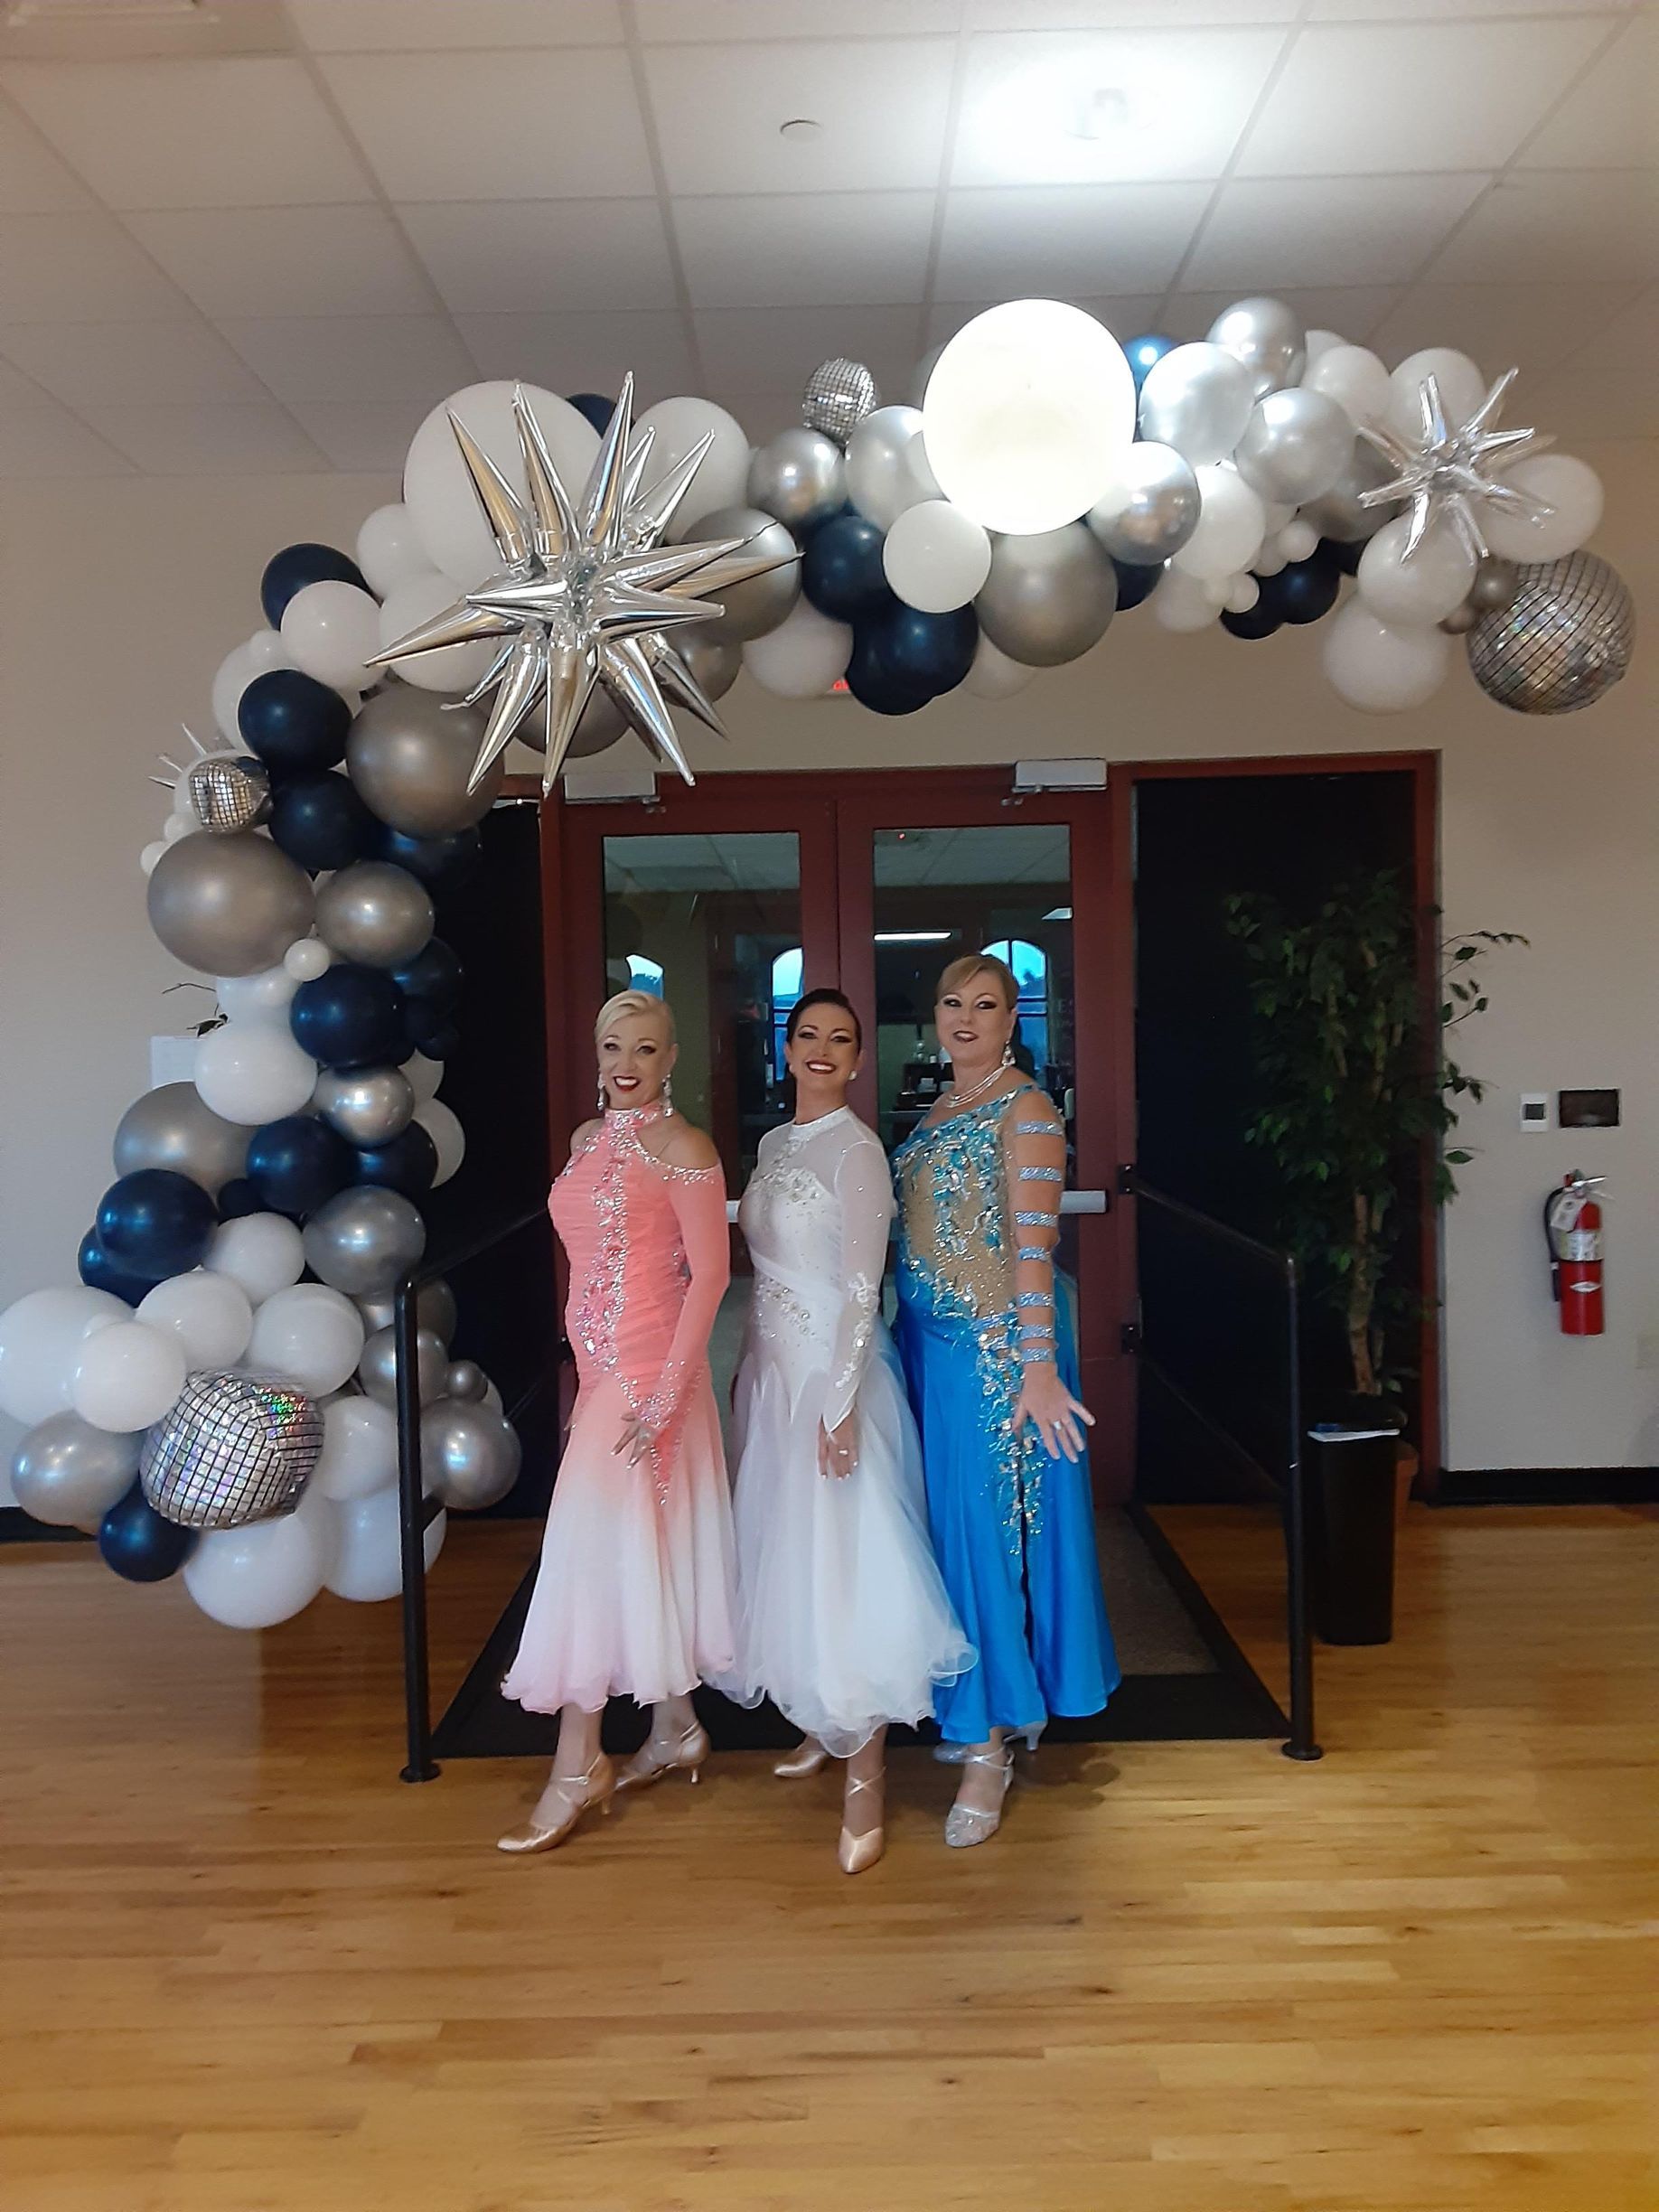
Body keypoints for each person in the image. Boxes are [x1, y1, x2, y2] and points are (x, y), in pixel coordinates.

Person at [717, 989, 971, 1875]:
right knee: (794, 1559)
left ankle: (867, 1773)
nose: (822, 1050)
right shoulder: (775, 1143)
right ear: (786, 1049)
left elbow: (865, 1293)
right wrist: (750, 1380)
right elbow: (763, 1271)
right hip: (778, 1378)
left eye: (840, 1040)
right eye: (808, 1035)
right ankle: (824, 1723)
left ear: (860, 1059)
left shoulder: (859, 1153)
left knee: (849, 1566)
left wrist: (836, 1405)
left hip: (837, 1382)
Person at [497, 990, 736, 1854]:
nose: (626, 1065)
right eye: (612, 1048)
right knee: (637, 1551)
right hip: (602, 1380)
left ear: (672, 1058)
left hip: (652, 1380)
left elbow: (710, 1276)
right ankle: (674, 1729)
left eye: (644, 1049)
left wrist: (668, 1392)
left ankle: (579, 1762)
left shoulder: (686, 1148)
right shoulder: (585, 1143)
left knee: (589, 1560)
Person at [891, 955, 1119, 1848]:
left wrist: (1036, 1368)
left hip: (993, 1361)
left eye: (985, 1004)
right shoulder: (941, 1108)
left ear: (1012, 1017)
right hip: (931, 1354)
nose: (964, 1017)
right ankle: (988, 1709)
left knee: (989, 1543)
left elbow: (1033, 1252)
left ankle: (989, 1749)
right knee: (953, 1541)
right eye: (951, 1001)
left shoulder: (1025, 1109)